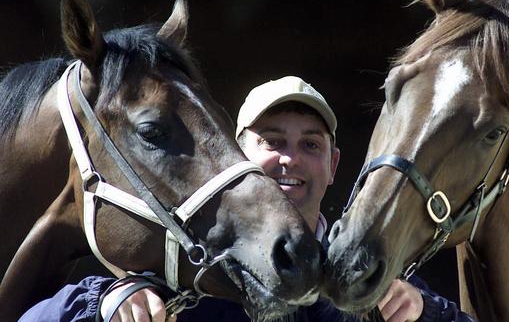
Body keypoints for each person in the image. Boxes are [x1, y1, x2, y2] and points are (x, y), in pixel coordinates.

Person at [20, 76, 473, 322]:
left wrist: (425, 310)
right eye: (272, 141)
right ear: (235, 156)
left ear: (333, 166)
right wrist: (105, 305)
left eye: (310, 145)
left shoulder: (367, 289)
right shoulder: (182, 278)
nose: (290, 160)